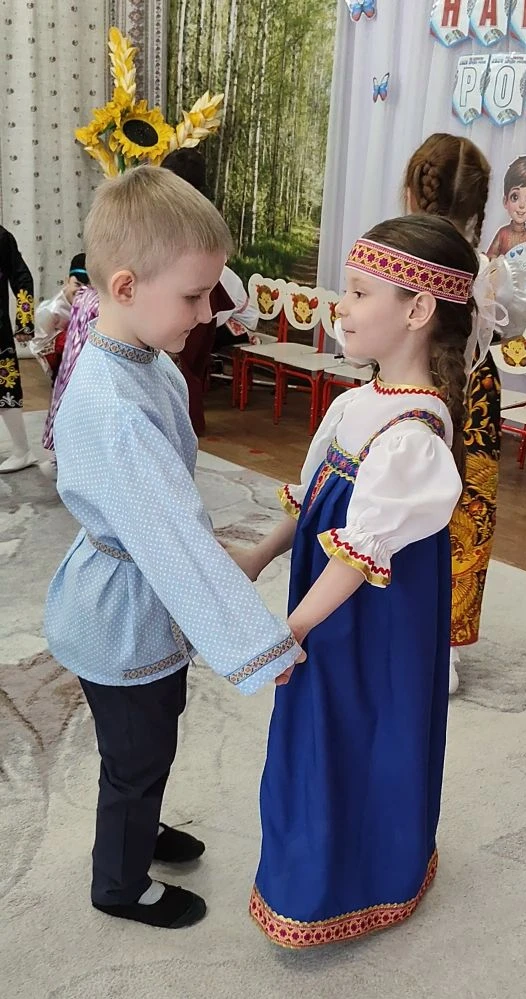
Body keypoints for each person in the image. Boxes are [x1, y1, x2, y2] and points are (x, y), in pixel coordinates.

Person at [44, 166, 303, 931]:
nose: (209, 311)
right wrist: (260, 645)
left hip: (137, 599)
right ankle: (120, 884)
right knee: (137, 753)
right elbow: (173, 541)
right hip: (122, 619)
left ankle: (140, 822)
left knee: (148, 739)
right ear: (126, 286)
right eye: (194, 296)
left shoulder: (144, 361)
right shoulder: (116, 408)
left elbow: (170, 515)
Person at [227, 214, 475, 948]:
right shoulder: (352, 404)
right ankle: (310, 877)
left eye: (362, 292)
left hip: (373, 619)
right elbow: (314, 504)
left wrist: (295, 626)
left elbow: (361, 552)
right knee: (316, 731)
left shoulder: (413, 435)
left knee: (367, 728)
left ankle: (368, 878)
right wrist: (261, 555)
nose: (343, 305)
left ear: (418, 310)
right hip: (330, 600)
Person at [404, 134, 526, 693]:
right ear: (483, 203)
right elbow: (512, 325)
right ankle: (447, 647)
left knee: (396, 501)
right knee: (469, 508)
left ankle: (391, 624)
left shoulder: (398, 256)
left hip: (407, 391)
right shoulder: (491, 270)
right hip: (475, 395)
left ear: (415, 189)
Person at [161, 148, 258, 434]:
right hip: (192, 296)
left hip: (205, 298)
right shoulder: (171, 215)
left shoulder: (201, 218)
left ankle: (182, 426)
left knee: (182, 364)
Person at [39, 282, 99, 478]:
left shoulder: (82, 297)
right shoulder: (96, 301)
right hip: (85, 365)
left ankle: (61, 461)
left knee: (69, 410)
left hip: (72, 365)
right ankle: (66, 463)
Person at [0, 225, 35, 473]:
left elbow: (22, 277)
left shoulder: (1, 238)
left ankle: (23, 450)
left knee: (5, 385)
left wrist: (25, 321)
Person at [30, 253, 89, 383]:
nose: (82, 291)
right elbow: (38, 346)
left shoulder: (91, 303)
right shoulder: (50, 311)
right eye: (77, 284)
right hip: (60, 360)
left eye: (88, 287)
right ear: (67, 281)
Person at [487, 155, 526, 259]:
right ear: (505, 201)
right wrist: (497, 262)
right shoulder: (503, 233)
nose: (521, 205)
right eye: (515, 197)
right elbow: (490, 255)